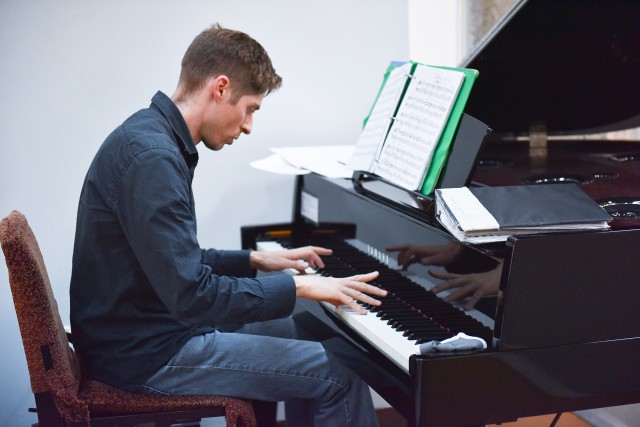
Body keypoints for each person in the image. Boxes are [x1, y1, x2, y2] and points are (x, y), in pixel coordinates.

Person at [70, 24, 386, 427]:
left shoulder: (150, 136)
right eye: (251, 108)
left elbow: (174, 261)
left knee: (296, 330)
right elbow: (192, 295)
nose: (250, 125)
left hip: (138, 333)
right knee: (339, 376)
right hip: (146, 356)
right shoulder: (153, 159)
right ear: (220, 88)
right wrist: (300, 285)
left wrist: (256, 260)